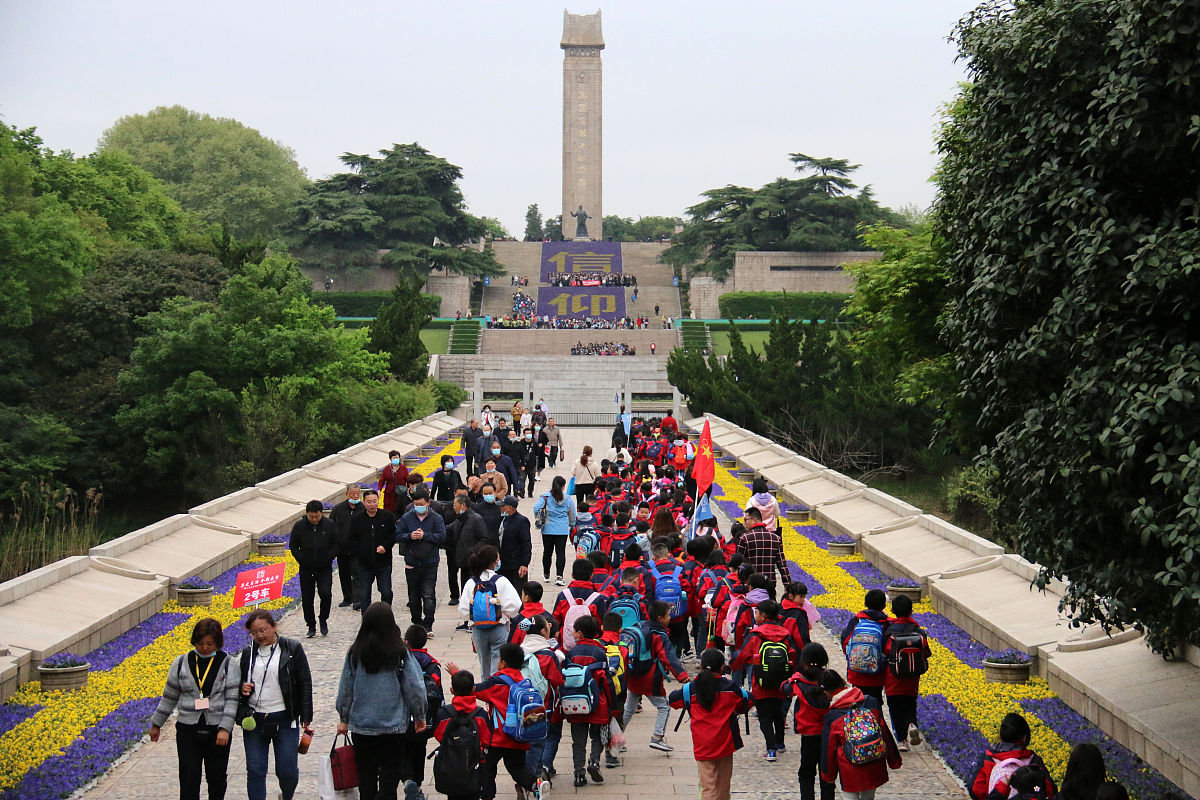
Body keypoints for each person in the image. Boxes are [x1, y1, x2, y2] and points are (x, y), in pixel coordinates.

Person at [335, 603, 429, 800]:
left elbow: (346, 688)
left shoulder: (356, 653)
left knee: (366, 777)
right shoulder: (400, 652)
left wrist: (344, 717)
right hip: (392, 726)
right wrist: (419, 715)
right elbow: (415, 687)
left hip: (362, 725)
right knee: (390, 776)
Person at [150, 617, 239, 800]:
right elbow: (169, 697)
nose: (205, 648)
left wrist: (225, 728)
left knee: (216, 778)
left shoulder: (229, 664)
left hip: (216, 729)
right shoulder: (181, 663)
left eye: (210, 644)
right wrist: (156, 724)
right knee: (189, 778)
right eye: (200, 643)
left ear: (218, 643)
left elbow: (232, 699)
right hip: (187, 729)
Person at [445, 644, 540, 800]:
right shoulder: (524, 681)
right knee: (518, 769)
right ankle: (537, 785)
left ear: (503, 663)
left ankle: (488, 796)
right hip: (518, 735)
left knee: (487, 769)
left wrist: (456, 673)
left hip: (497, 736)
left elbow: (472, 689)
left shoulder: (497, 682)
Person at [237, 609, 312, 800]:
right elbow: (238, 685)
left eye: (263, 630)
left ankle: (286, 795)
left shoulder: (292, 648)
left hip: (285, 718)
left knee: (287, 771)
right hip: (255, 719)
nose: (260, 636)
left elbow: (304, 680)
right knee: (255, 769)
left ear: (274, 626)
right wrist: (243, 688)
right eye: (254, 633)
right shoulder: (248, 653)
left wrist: (306, 714)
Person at [668, 649, 751, 800]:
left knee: (707, 788)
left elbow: (673, 700)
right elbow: (747, 701)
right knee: (723, 788)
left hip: (703, 744)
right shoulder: (730, 687)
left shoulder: (692, 688)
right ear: (721, 667)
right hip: (726, 743)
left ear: (701, 666)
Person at [818, 669, 902, 800]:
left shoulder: (833, 716)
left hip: (850, 768)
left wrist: (828, 775)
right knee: (869, 796)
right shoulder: (871, 703)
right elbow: (885, 732)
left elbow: (828, 749)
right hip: (874, 762)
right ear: (844, 682)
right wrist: (894, 760)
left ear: (826, 693)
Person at [730, 599, 797, 761]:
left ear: (763, 616)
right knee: (779, 713)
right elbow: (793, 655)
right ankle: (780, 743)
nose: (755, 615)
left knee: (765, 716)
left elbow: (742, 655)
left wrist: (732, 665)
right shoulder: (785, 635)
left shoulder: (756, 635)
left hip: (761, 683)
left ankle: (771, 749)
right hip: (781, 682)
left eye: (757, 612)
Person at [622, 600, 691, 753]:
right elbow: (669, 657)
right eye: (667, 616)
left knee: (629, 707)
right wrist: (682, 676)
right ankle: (657, 737)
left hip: (633, 673)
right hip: (650, 676)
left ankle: (616, 738)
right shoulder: (659, 635)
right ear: (660, 618)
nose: (669, 619)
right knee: (663, 706)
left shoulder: (640, 626)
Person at [563, 615, 616, 787]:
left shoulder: (571, 653)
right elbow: (606, 681)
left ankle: (578, 774)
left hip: (575, 703)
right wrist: (612, 706)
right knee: (597, 737)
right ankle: (593, 761)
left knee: (578, 741)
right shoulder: (600, 652)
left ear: (580, 633)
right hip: (597, 702)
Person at [458, 545, 522, 677]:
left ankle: (485, 690)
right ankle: (495, 691)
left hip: (478, 630)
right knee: (498, 666)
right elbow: (516, 605)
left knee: (484, 666)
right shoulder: (502, 581)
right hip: (499, 627)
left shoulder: (471, 582)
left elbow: (463, 610)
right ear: (493, 562)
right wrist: (501, 611)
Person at [784, 642, 835, 800]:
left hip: (809, 735)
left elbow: (784, 689)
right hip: (828, 734)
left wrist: (794, 677)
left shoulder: (800, 683)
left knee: (806, 773)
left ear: (804, 662)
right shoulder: (830, 679)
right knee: (827, 774)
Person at [432, 669, 493, 800]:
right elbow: (487, 738)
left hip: (451, 765)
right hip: (474, 765)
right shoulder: (481, 714)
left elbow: (438, 735)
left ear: (452, 690)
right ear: (473, 690)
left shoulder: (444, 714)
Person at [968, 712, 1058, 799]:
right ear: (1025, 737)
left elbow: (975, 789)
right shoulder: (1034, 761)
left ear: (1001, 735)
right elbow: (1050, 790)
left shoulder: (988, 759)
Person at [882, 594, 930, 751]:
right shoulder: (918, 631)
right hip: (912, 678)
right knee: (910, 704)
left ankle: (902, 740)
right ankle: (911, 724)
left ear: (893, 610)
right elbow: (926, 652)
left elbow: (885, 651)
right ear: (911, 611)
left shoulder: (889, 631)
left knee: (895, 707)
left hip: (893, 677)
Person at [395, 490, 447, 636]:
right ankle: (417, 623)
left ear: (428, 503)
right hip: (412, 561)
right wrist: (410, 536)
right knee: (414, 596)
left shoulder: (436, 518)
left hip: (430, 562)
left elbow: (442, 536)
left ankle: (428, 623)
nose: (418, 506)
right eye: (416, 504)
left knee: (428, 594)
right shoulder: (407, 517)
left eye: (421, 504)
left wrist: (425, 536)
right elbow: (398, 535)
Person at [402, 624, 443, 791]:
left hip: (404, 716)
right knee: (420, 749)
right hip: (425, 718)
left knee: (403, 749)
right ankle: (417, 784)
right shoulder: (432, 664)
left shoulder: (403, 661)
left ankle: (407, 779)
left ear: (406, 642)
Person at [288, 500, 338, 638]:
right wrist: (301, 558)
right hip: (306, 568)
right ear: (307, 514)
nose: (314, 519)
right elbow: (293, 545)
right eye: (311, 517)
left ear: (321, 513)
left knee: (325, 594)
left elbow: (335, 544)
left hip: (324, 567)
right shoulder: (300, 526)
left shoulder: (329, 525)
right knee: (307, 598)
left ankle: (323, 619)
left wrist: (329, 557)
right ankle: (311, 625)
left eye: (317, 516)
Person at [840, 589, 890, 703]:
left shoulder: (856, 620)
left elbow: (845, 643)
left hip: (856, 673)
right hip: (876, 675)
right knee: (875, 704)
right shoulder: (885, 623)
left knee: (858, 703)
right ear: (884, 605)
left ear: (865, 604)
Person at [350, 488, 397, 609]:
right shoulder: (357, 519)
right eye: (369, 502)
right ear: (364, 502)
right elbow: (352, 539)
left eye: (374, 501)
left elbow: (393, 535)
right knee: (364, 595)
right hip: (364, 564)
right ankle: (366, 621)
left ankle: (385, 616)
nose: (372, 504)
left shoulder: (387, 516)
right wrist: (361, 551)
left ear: (378, 501)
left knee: (386, 592)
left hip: (383, 562)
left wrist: (385, 547)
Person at [450, 494, 488, 623]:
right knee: (465, 591)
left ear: (462, 505)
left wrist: (473, 552)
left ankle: (474, 618)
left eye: (455, 505)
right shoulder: (459, 519)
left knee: (474, 592)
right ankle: (467, 620)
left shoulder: (476, 519)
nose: (453, 507)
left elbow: (483, 538)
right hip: (463, 562)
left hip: (473, 563)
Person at [533, 476, 577, 586]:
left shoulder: (545, 497)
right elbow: (572, 513)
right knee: (560, 553)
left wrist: (540, 517)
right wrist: (571, 524)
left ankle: (546, 574)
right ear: (563, 486)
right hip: (562, 529)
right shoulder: (567, 498)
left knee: (547, 552)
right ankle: (559, 576)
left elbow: (535, 508)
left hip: (547, 528)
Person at [737, 506, 789, 593]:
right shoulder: (775, 538)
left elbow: (739, 564)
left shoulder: (744, 538)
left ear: (754, 520)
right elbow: (782, 564)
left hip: (751, 585)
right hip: (769, 584)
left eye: (746, 520)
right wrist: (787, 584)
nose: (744, 523)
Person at [330, 484, 363, 608]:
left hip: (357, 548)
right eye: (352, 493)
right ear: (347, 494)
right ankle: (347, 597)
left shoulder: (363, 508)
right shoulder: (338, 509)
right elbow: (331, 526)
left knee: (357, 574)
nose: (355, 496)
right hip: (342, 548)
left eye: (357, 493)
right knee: (344, 574)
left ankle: (358, 599)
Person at [498, 495, 532, 592]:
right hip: (503, 564)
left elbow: (526, 543)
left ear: (510, 508)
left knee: (517, 592)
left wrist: (524, 564)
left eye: (503, 506)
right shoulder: (503, 519)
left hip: (515, 565)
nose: (500, 508)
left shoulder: (521, 521)